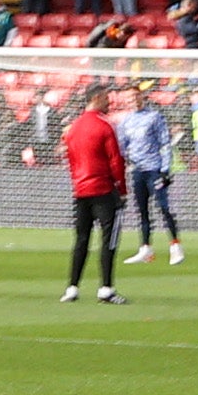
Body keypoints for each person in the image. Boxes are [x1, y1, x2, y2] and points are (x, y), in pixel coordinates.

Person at [62, 85, 127, 303]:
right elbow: (116, 160)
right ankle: (106, 288)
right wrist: (122, 189)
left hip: (80, 190)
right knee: (109, 239)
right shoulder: (105, 125)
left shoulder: (74, 127)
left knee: (81, 239)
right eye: (107, 99)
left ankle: (72, 287)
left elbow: (71, 159)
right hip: (103, 189)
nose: (110, 103)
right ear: (97, 98)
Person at [116, 87, 183, 266]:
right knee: (142, 209)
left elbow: (165, 143)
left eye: (136, 96)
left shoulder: (154, 117)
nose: (133, 99)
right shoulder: (125, 122)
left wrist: (165, 169)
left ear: (141, 97)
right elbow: (122, 147)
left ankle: (175, 246)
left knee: (163, 207)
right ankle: (145, 249)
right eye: (130, 97)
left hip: (154, 168)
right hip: (138, 170)